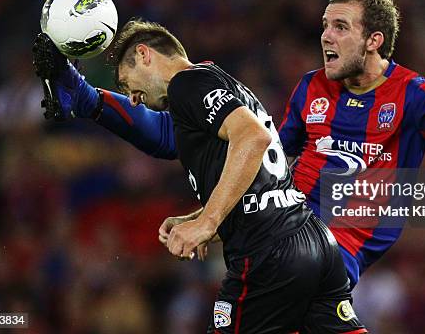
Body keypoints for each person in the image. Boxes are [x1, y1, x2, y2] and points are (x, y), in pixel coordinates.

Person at [33, 0, 425, 291]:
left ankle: (85, 97)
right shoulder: (311, 88)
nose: (326, 37)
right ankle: (88, 99)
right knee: (195, 132)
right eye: (324, 25)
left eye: (340, 27)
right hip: (285, 231)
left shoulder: (414, 93)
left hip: (329, 246)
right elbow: (268, 158)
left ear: (374, 40)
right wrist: (210, 213)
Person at [32, 22, 366, 333]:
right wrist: (89, 99)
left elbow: (253, 138)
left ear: (144, 55)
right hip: (312, 241)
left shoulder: (187, 84)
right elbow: (166, 137)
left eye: (125, 83)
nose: (132, 97)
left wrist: (208, 220)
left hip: (268, 252)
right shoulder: (215, 84)